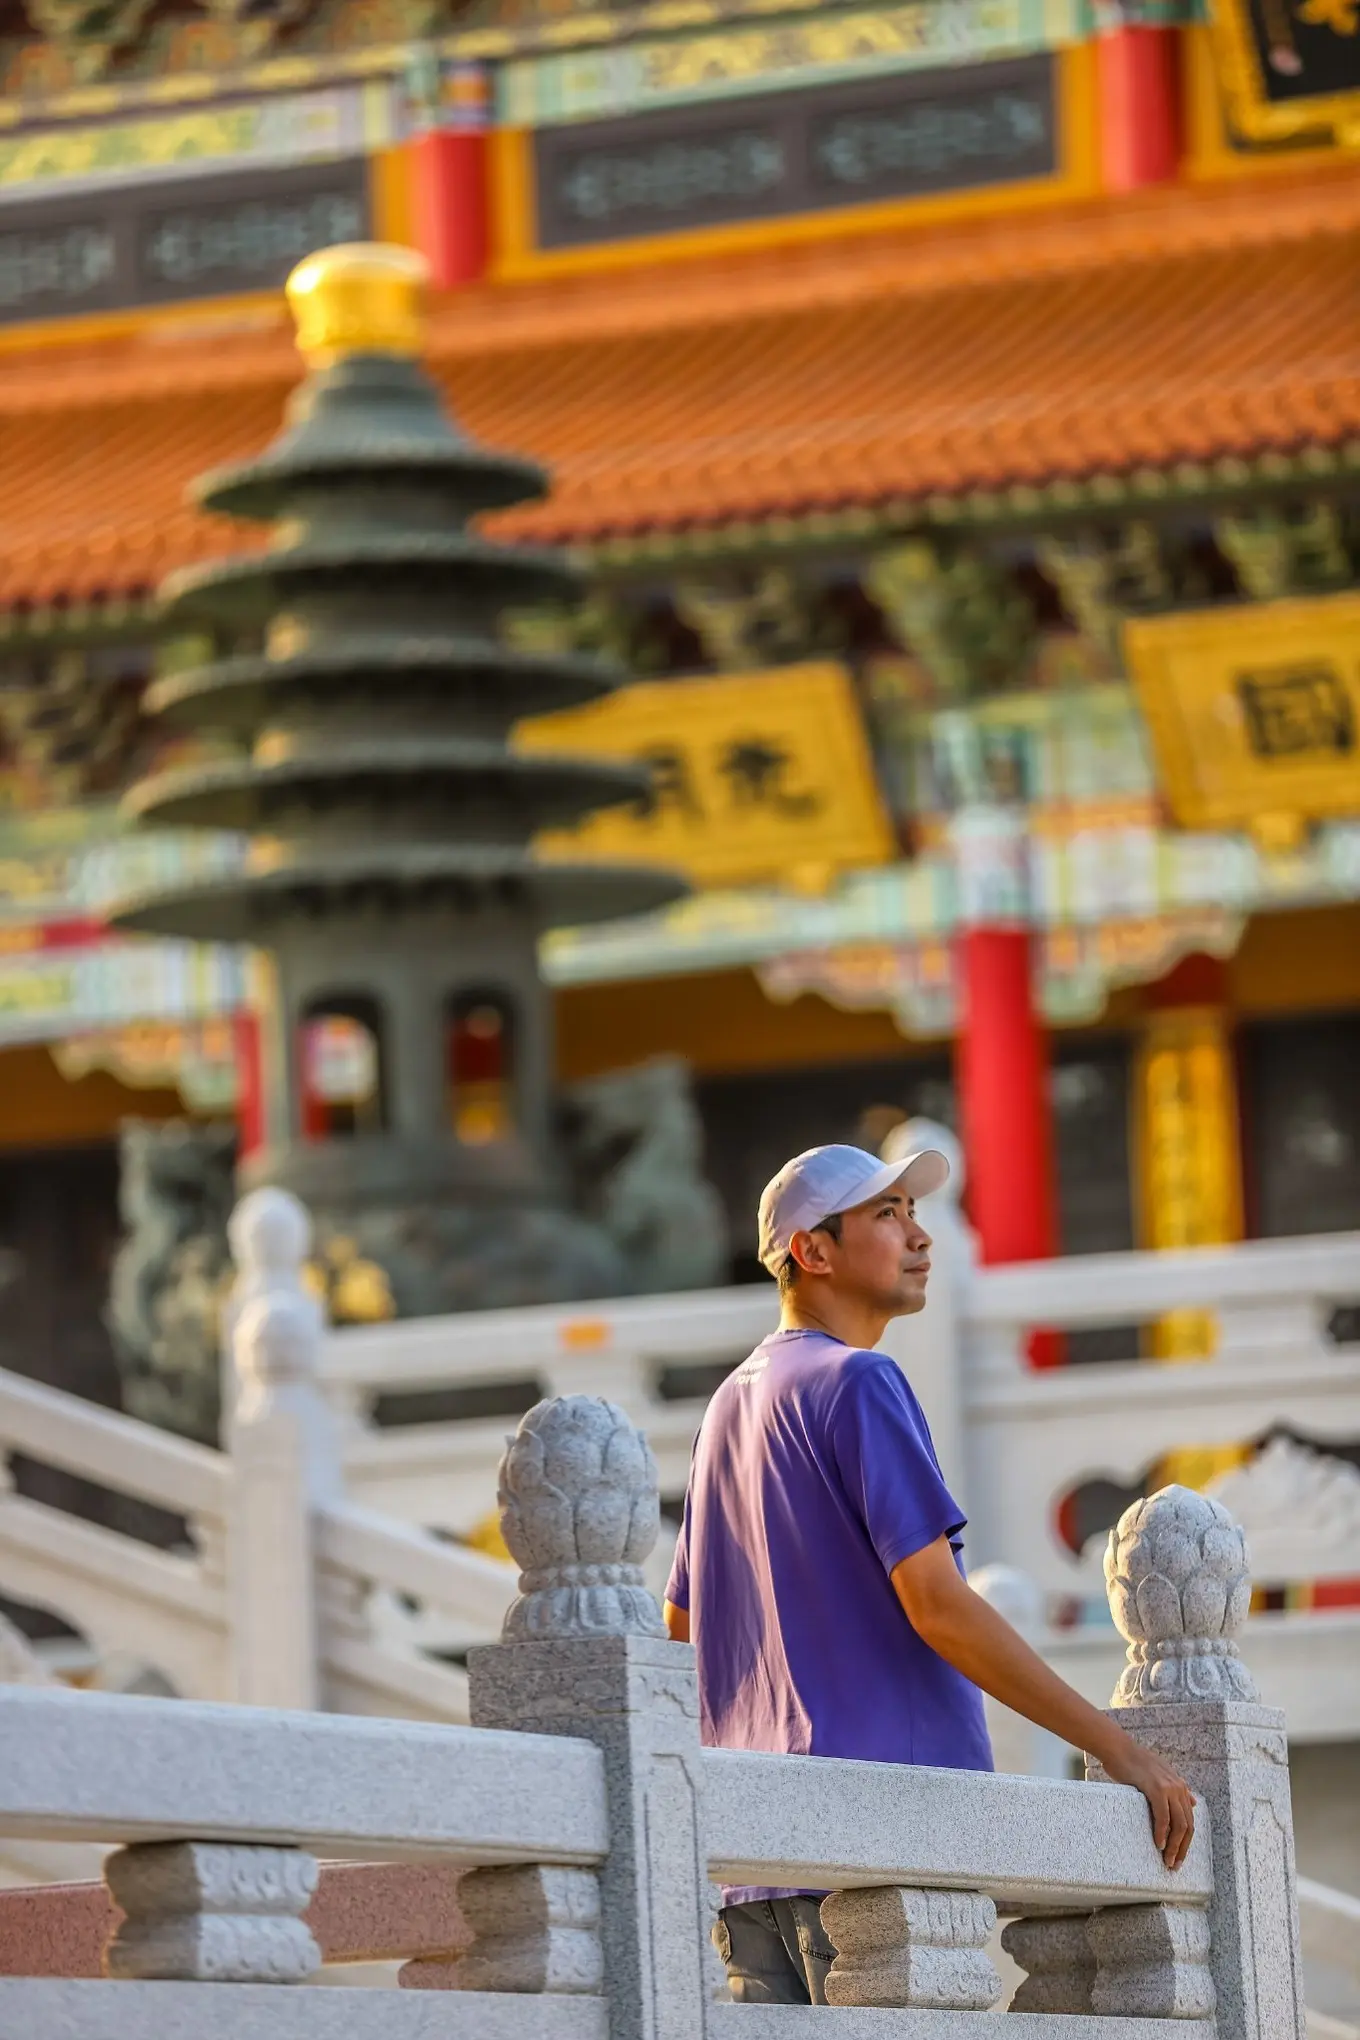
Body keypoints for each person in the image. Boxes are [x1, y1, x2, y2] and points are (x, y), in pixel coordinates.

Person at [663, 1142, 1195, 2006]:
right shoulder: (859, 1380)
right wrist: (1117, 1747)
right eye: (887, 1215)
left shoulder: (730, 1404)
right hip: (879, 1835)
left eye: (913, 1213)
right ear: (813, 1250)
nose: (919, 1236)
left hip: (751, 1852)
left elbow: (681, 1631)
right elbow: (939, 1606)